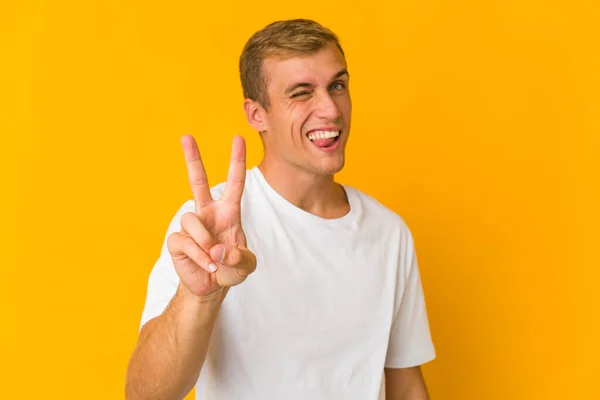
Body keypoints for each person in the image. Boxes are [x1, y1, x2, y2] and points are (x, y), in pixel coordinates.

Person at [125, 18, 436, 400]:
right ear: (256, 114)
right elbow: (144, 394)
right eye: (302, 93)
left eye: (337, 86)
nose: (330, 110)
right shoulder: (207, 230)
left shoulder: (389, 233)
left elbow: (405, 386)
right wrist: (199, 297)